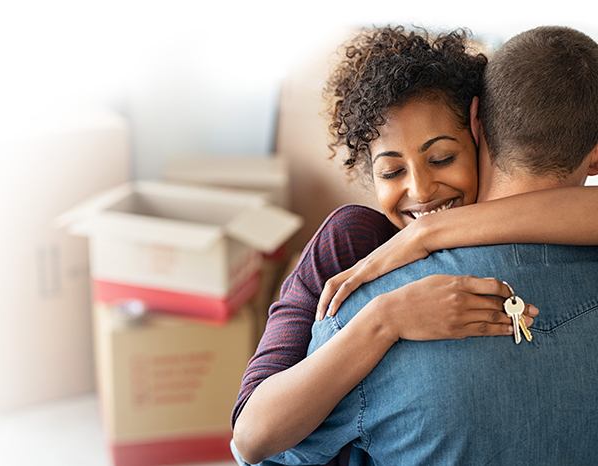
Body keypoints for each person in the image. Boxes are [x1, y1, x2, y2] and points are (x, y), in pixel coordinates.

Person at [231, 26, 598, 465]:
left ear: (477, 127)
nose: (422, 190)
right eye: (391, 172)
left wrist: (427, 235)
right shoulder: (348, 256)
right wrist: (384, 319)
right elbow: (251, 438)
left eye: (442, 158)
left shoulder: (376, 291)